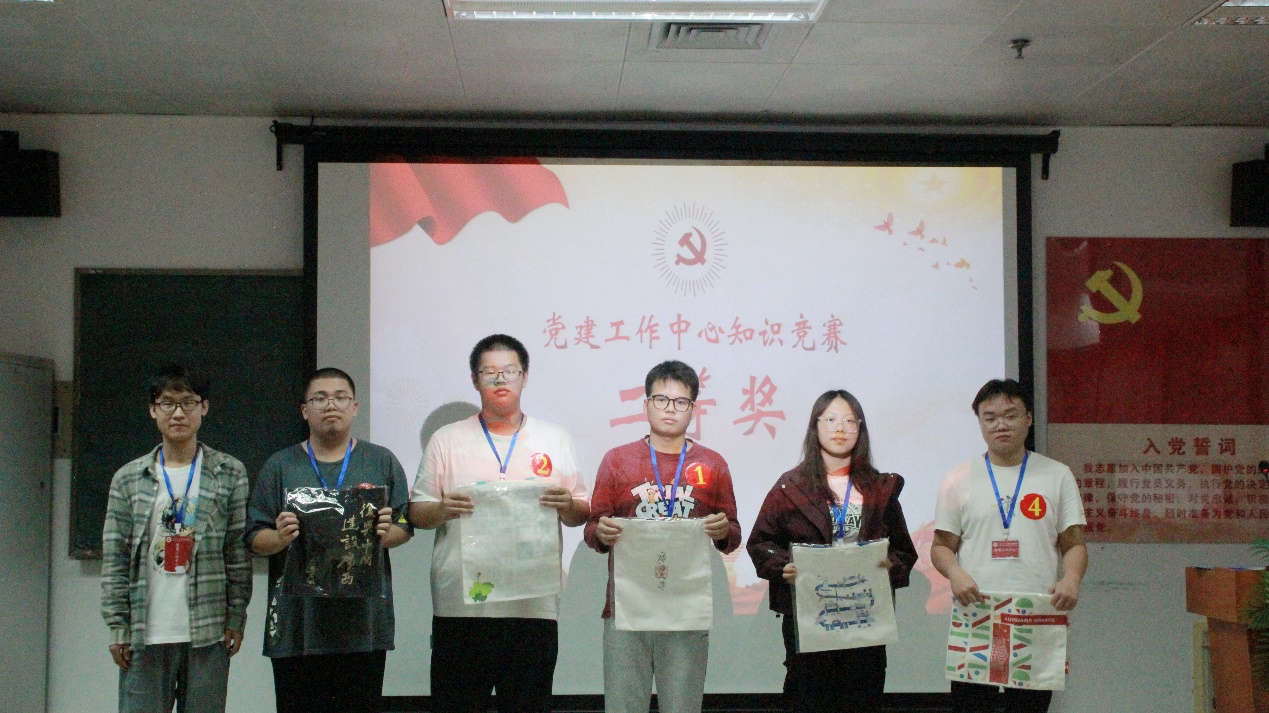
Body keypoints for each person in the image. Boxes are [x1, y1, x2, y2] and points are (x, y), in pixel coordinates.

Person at [410, 334, 590, 713]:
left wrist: (567, 506)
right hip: (462, 606)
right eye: (489, 372)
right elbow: (418, 512)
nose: (500, 379)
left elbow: (581, 512)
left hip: (532, 604)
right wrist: (442, 509)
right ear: (475, 380)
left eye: (509, 371)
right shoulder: (446, 439)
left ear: (525, 377)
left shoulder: (554, 438)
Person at [245, 367, 413, 713]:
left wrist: (387, 534)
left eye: (340, 397)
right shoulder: (280, 465)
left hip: (363, 625)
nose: (330, 405)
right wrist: (279, 537)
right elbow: (253, 536)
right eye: (319, 398)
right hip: (297, 625)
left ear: (355, 407)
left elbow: (405, 524)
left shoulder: (381, 461)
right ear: (305, 410)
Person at [583, 360, 741, 713]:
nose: (670, 408)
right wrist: (602, 532)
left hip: (685, 608)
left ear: (693, 409)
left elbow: (732, 534)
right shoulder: (617, 460)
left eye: (680, 401)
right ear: (646, 405)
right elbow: (592, 530)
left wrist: (722, 531)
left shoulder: (712, 464)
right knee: (623, 707)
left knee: (682, 707)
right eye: (661, 399)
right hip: (627, 608)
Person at [748, 389, 918, 713]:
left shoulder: (879, 488)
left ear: (860, 428)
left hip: (864, 615)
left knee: (863, 696)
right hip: (810, 616)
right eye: (830, 419)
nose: (840, 428)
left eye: (849, 421)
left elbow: (904, 551)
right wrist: (782, 566)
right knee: (807, 697)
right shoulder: (790, 486)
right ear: (815, 426)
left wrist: (890, 565)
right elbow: (760, 542)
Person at [100, 364, 252, 713]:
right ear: (153, 410)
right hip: (145, 630)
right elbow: (115, 557)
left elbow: (237, 552)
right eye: (167, 403)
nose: (178, 413)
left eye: (188, 402)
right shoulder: (128, 478)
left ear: (204, 407)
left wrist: (236, 617)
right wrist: (118, 625)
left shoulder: (229, 472)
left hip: (208, 628)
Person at [930, 378, 1088, 713]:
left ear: (1028, 418)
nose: (1000, 424)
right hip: (977, 612)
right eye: (990, 417)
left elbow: (1074, 543)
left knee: (1030, 708)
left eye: (1010, 415)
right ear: (979, 423)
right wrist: (955, 574)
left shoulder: (1057, 475)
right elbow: (941, 546)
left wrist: (1072, 579)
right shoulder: (958, 478)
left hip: (1036, 611)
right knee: (972, 707)